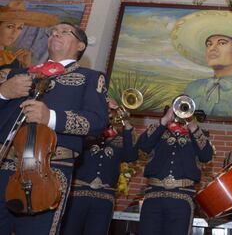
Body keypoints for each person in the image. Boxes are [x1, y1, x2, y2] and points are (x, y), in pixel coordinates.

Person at [0, 21, 108, 235]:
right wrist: (2, 93)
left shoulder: (90, 77)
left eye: (64, 32)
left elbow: (97, 122)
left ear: (80, 46)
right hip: (5, 167)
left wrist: (50, 117)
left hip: (48, 171)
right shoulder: (17, 74)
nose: (55, 34)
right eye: (52, 32)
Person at [60, 98, 139, 235]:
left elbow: (130, 156)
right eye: (105, 109)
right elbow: (78, 144)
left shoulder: (120, 139)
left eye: (110, 111)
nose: (108, 113)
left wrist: (126, 123)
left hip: (104, 199)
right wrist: (98, 117)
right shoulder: (86, 134)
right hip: (78, 196)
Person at [137, 95, 214, 235]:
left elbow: (206, 155)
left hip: (182, 198)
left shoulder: (197, 134)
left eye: (185, 107)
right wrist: (165, 120)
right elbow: (143, 145)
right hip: (153, 196)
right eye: (177, 106)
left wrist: (192, 124)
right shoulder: (159, 131)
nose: (181, 110)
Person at [0, 0, 58, 70]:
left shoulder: (10, 57)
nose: (14, 32)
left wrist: (25, 66)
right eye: (10, 26)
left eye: (20, 28)